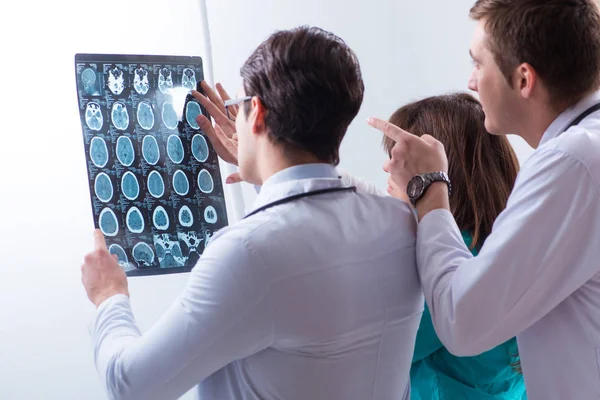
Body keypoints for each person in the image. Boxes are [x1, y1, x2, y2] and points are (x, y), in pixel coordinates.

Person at [81, 26, 423, 400]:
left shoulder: (247, 254)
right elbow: (314, 239)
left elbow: (129, 386)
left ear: (256, 112)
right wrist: (262, 169)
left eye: (241, 105)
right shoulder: (399, 222)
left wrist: (109, 296)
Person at [368, 0, 600, 399]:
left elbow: (462, 321)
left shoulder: (572, 162)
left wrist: (429, 188)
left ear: (524, 79)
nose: (471, 82)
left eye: (478, 63)